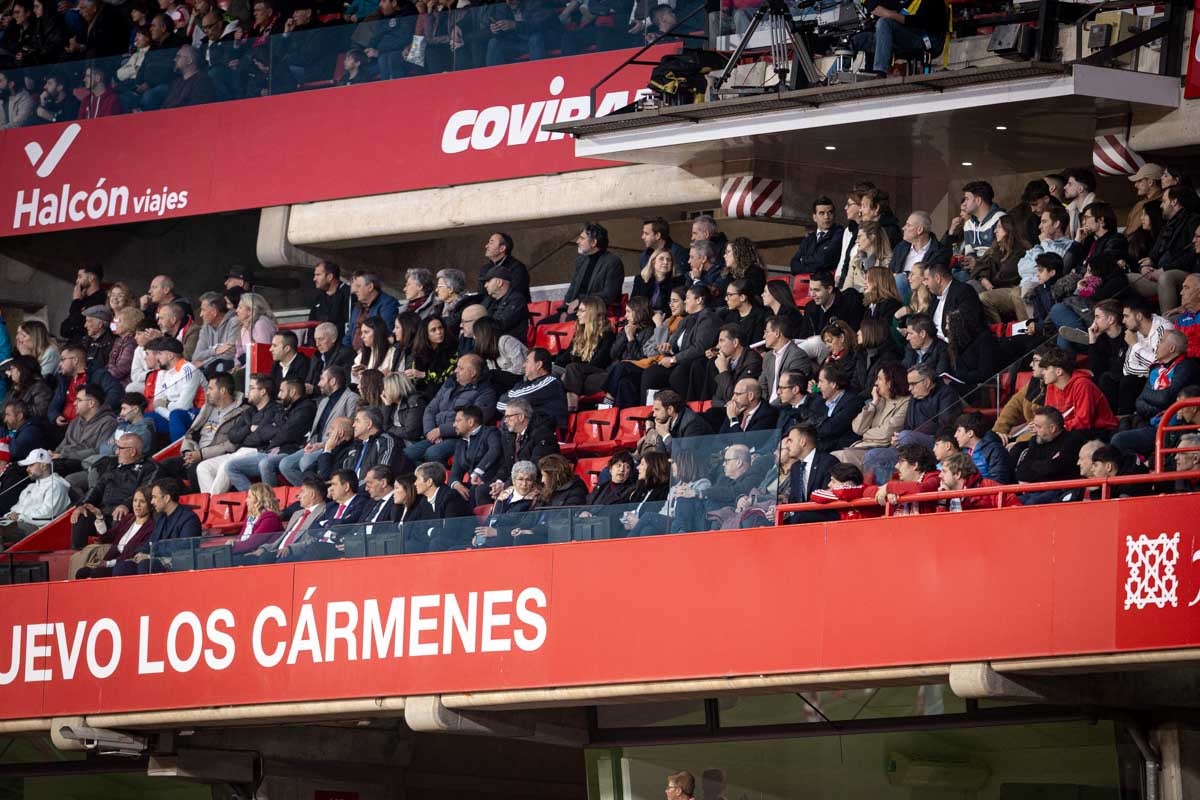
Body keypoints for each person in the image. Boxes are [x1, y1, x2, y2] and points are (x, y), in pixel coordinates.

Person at [862, 363, 959, 483]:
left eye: (913, 384)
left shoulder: (946, 394)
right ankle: (886, 493)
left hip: (937, 443)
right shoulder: (914, 397)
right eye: (909, 385)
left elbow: (946, 426)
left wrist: (908, 434)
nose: (909, 389)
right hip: (909, 443)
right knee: (873, 455)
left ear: (927, 382)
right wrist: (896, 438)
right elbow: (907, 426)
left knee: (905, 436)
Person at [1111, 331, 1200, 457]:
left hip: (1168, 428)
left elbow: (1166, 397)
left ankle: (1140, 466)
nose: (1156, 346)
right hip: (1150, 422)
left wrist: (1152, 398)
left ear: (1172, 348)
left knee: (1118, 440)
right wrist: (1158, 406)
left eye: (1161, 341)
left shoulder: (1187, 366)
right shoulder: (1155, 369)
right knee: (1117, 431)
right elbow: (1139, 402)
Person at [70, 433, 159, 549]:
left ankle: (115, 557)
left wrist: (126, 505)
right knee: (81, 516)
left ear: (132, 452)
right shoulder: (112, 465)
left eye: (120, 449)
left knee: (121, 516)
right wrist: (83, 505)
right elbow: (97, 488)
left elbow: (145, 492)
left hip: (130, 513)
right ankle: (79, 555)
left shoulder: (150, 467)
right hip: (103, 513)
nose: (116, 452)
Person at [224, 377, 316, 489]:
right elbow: (265, 430)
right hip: (269, 450)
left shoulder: (306, 408)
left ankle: (270, 502)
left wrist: (274, 429)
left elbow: (286, 433)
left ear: (292, 392)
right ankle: (256, 499)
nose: (279, 395)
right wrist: (274, 429)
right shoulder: (283, 407)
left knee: (265, 464)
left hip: (288, 451)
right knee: (231, 466)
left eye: (282, 391)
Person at [194, 373, 278, 494]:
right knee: (203, 467)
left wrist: (243, 436)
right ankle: (214, 505)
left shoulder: (273, 410)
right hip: (239, 451)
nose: (247, 391)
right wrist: (249, 428)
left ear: (263, 391)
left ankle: (212, 505)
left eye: (251, 388)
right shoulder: (249, 411)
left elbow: (259, 438)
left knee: (226, 466)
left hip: (257, 452)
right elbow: (232, 436)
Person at [406, 354, 496, 466]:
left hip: (460, 438)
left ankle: (438, 482)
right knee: (407, 454)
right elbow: (430, 408)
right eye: (457, 367)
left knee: (433, 453)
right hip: (436, 434)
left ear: (473, 373)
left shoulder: (485, 392)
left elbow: (473, 420)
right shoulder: (450, 383)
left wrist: (441, 430)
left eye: (461, 368)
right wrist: (430, 431)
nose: (455, 371)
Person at [279, 365, 360, 484]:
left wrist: (322, 445)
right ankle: (309, 492)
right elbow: (317, 429)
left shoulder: (352, 398)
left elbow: (348, 430)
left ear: (332, 381)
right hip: (315, 445)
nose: (318, 384)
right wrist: (311, 443)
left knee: (305, 463)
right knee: (285, 464)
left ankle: (316, 493)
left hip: (334, 447)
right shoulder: (323, 401)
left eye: (322, 379)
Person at [165, 373, 248, 490]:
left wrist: (202, 454)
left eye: (210, 388)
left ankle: (199, 504)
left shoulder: (242, 411)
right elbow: (191, 432)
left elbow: (232, 444)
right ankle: (184, 498)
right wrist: (187, 451)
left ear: (223, 390)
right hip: (196, 454)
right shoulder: (208, 407)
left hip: (215, 458)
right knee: (165, 466)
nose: (207, 392)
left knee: (194, 469)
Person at [639, 285, 721, 401]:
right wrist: (668, 348)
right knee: (651, 373)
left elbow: (700, 347)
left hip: (694, 361)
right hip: (679, 360)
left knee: (678, 375)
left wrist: (673, 359)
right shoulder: (686, 320)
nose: (685, 301)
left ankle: (682, 410)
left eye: (687, 298)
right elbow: (673, 344)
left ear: (699, 300)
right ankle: (650, 412)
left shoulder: (708, 318)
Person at [833, 361, 910, 467]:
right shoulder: (879, 401)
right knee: (830, 458)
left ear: (890, 382)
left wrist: (866, 433)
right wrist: (873, 404)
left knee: (837, 460)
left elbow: (886, 433)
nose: (876, 383)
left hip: (880, 450)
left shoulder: (905, 402)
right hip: (863, 447)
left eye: (879, 379)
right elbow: (857, 428)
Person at [237, 477, 329, 565]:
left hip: (296, 553)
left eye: (302, 491)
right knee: (248, 558)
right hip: (277, 551)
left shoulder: (325, 512)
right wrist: (264, 548)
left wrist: (290, 548)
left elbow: (315, 540)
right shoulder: (297, 513)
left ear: (312, 495)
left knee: (264, 559)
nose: (298, 496)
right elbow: (282, 539)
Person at [1138, 185, 1200, 311]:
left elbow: (1191, 253)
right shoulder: (1167, 225)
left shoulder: (1193, 220)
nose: (1161, 206)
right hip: (1158, 272)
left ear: (1174, 201)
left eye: (1164, 201)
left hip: (1181, 272)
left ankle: (1166, 325)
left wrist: (1164, 270)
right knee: (1127, 279)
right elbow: (1154, 253)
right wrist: (1147, 265)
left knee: (1166, 277)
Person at [74, 486, 155, 579]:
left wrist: (107, 563)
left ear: (150, 504)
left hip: (125, 565)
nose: (137, 505)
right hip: (109, 560)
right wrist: (99, 516)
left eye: (142, 501)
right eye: (135, 500)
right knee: (81, 573)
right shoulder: (128, 519)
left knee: (96, 574)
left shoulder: (151, 527)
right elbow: (106, 538)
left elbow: (132, 554)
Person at [852, 0, 946, 78]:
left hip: (925, 39)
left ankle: (880, 73)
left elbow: (922, 21)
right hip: (904, 38)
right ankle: (839, 75)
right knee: (855, 38)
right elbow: (876, 6)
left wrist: (890, 15)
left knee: (884, 22)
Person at [1012, 407, 1086, 503]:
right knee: (1012, 502)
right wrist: (1045, 465)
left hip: (1061, 491)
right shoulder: (1035, 441)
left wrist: (1034, 466)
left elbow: (1055, 468)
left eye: (1038, 427)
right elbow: (1021, 472)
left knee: (1031, 504)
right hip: (1036, 491)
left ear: (1052, 428)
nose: (1035, 430)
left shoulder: (1072, 440)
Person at [1038, 347, 1117, 436]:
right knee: (1034, 441)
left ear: (1059, 371)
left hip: (1100, 430)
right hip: (1067, 429)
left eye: (1046, 369)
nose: (1043, 372)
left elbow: (1084, 422)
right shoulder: (1051, 386)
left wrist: (1054, 428)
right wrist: (1039, 425)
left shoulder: (1082, 384)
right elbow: (1048, 415)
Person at [558, 296, 615, 411]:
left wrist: (575, 359)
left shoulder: (607, 335)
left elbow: (598, 363)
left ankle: (571, 410)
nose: (577, 314)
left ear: (593, 313)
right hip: (578, 375)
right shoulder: (579, 334)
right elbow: (563, 359)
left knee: (572, 368)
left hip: (597, 374)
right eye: (578, 310)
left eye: (582, 310)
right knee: (547, 368)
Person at [49, 384, 118, 478]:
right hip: (65, 460)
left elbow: (100, 451)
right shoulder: (75, 422)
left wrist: (64, 455)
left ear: (91, 403)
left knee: (52, 469)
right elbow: (64, 443)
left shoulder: (109, 423)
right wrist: (53, 453)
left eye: (79, 400)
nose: (74, 403)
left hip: (86, 464)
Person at [0, 449, 69, 540]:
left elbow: (47, 515)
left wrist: (19, 516)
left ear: (43, 465)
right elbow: (17, 508)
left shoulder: (56, 485)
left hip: (40, 530)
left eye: (31, 465)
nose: (27, 469)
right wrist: (9, 515)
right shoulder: (30, 487)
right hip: (19, 524)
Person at [409, 461, 474, 553]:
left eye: (417, 479)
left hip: (462, 541)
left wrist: (430, 531)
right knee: (411, 545)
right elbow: (417, 531)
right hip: (437, 540)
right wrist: (433, 531)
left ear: (429, 482)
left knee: (437, 543)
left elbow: (451, 532)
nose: (414, 483)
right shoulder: (424, 501)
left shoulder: (451, 496)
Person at [498, 349, 568, 430]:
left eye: (527, 361)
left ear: (538, 365)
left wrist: (511, 395)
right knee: (508, 419)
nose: (524, 365)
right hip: (531, 431)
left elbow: (526, 396)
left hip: (547, 431)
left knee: (513, 418)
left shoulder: (551, 381)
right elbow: (500, 405)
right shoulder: (523, 384)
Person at [709, 324, 763, 419]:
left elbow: (738, 397)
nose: (718, 346)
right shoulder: (727, 360)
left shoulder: (752, 361)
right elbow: (716, 399)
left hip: (744, 413)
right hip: (727, 410)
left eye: (721, 341)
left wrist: (723, 370)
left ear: (735, 342)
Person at [497, 397, 559, 478]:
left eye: (508, 416)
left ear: (521, 417)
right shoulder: (510, 436)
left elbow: (533, 468)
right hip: (517, 482)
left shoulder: (542, 435)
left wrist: (508, 485)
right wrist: (499, 481)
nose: (505, 421)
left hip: (535, 483)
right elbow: (506, 464)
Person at [937, 452, 1019, 511]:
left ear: (957, 474)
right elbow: (940, 527)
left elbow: (1015, 509)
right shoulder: (945, 496)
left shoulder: (989, 487)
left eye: (944, 471)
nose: (940, 475)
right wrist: (942, 503)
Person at [924, 261, 983, 343]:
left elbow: (965, 326)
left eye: (927, 279)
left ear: (937, 278)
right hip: (934, 347)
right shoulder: (934, 297)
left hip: (954, 347)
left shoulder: (964, 291)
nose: (925, 284)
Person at [760, 315, 811, 406]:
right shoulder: (768, 357)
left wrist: (769, 409)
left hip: (786, 409)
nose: (764, 336)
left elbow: (792, 393)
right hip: (768, 408)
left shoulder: (797, 356)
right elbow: (762, 386)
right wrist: (763, 408)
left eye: (767, 332)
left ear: (777, 333)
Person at [953, 411, 1013, 484]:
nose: (955, 435)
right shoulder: (963, 452)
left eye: (959, 431)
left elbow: (998, 481)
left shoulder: (995, 450)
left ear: (970, 433)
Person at [344, 272, 400, 348]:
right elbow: (349, 334)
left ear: (370, 287)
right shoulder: (358, 306)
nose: (354, 291)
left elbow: (386, 334)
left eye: (358, 286)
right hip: (353, 354)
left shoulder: (388, 304)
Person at [790, 197, 844, 275]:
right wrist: (814, 267)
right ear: (814, 217)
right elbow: (794, 265)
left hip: (827, 284)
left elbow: (824, 260)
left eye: (830, 212)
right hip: (806, 283)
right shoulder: (809, 239)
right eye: (822, 213)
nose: (826, 217)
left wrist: (803, 260)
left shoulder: (839, 234)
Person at [191, 292, 240, 374]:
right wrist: (215, 350)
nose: (200, 315)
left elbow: (230, 353)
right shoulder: (205, 328)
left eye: (203, 310)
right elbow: (196, 356)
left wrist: (203, 363)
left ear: (214, 311)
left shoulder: (234, 322)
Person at [229, 483, 284, 555]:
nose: (246, 500)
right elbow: (241, 539)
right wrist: (232, 542)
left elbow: (252, 544)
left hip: (262, 556)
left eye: (249, 497)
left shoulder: (270, 518)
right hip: (246, 553)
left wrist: (229, 548)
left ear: (259, 500)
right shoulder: (251, 518)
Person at [304, 322, 357, 395]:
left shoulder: (346, 354)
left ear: (333, 338)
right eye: (315, 340)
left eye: (321, 339)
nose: (317, 344)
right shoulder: (316, 356)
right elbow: (308, 380)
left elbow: (341, 385)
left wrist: (314, 390)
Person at [632, 243, 682, 315]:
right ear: (653, 262)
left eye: (668, 260)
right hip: (643, 317)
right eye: (661, 259)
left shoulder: (677, 282)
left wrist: (660, 313)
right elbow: (634, 303)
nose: (665, 262)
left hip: (665, 319)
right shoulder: (640, 280)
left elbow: (676, 307)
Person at [309, 261, 353, 341]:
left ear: (329, 277)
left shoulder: (348, 294)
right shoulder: (318, 297)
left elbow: (350, 325)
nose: (314, 279)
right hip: (320, 348)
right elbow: (311, 325)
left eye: (318, 275)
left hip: (342, 347)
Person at [478, 232, 530, 299]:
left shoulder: (517, 268)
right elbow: (481, 294)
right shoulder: (485, 269)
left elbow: (516, 294)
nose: (486, 246)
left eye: (491, 243)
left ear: (502, 248)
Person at [1127, 163, 1165, 237]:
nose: (1135, 185)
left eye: (1140, 181)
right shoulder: (1139, 205)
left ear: (1150, 182)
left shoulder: (1163, 204)